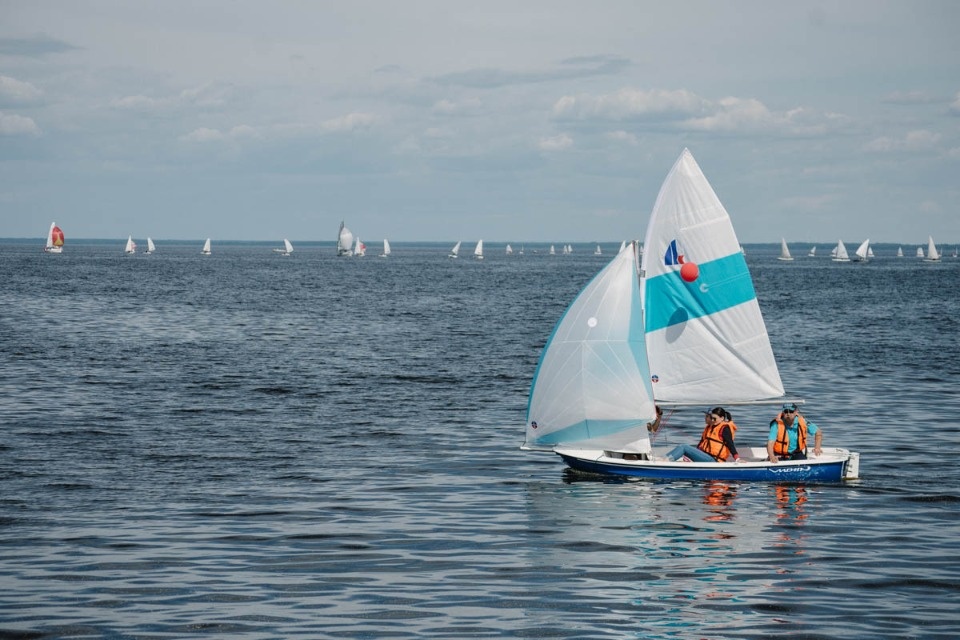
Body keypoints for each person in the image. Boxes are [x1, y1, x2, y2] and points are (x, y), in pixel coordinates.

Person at [665, 407, 740, 462]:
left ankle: (665, 461)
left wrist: (737, 458)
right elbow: (700, 446)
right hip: (706, 457)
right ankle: (665, 459)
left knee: (683, 447)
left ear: (722, 418)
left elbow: (730, 444)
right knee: (684, 451)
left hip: (714, 460)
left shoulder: (724, 428)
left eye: (714, 418)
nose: (712, 420)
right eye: (711, 418)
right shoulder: (709, 428)